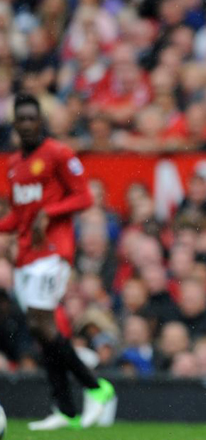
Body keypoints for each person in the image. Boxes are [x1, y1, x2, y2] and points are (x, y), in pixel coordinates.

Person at [0, 94, 116, 430]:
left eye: (31, 118)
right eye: (21, 119)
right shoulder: (13, 165)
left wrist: (49, 212)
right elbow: (19, 217)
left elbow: (84, 197)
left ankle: (96, 387)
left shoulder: (58, 153)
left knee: (41, 323)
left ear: (40, 121)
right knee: (42, 329)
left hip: (54, 250)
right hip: (26, 255)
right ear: (14, 124)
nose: (26, 124)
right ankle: (66, 409)